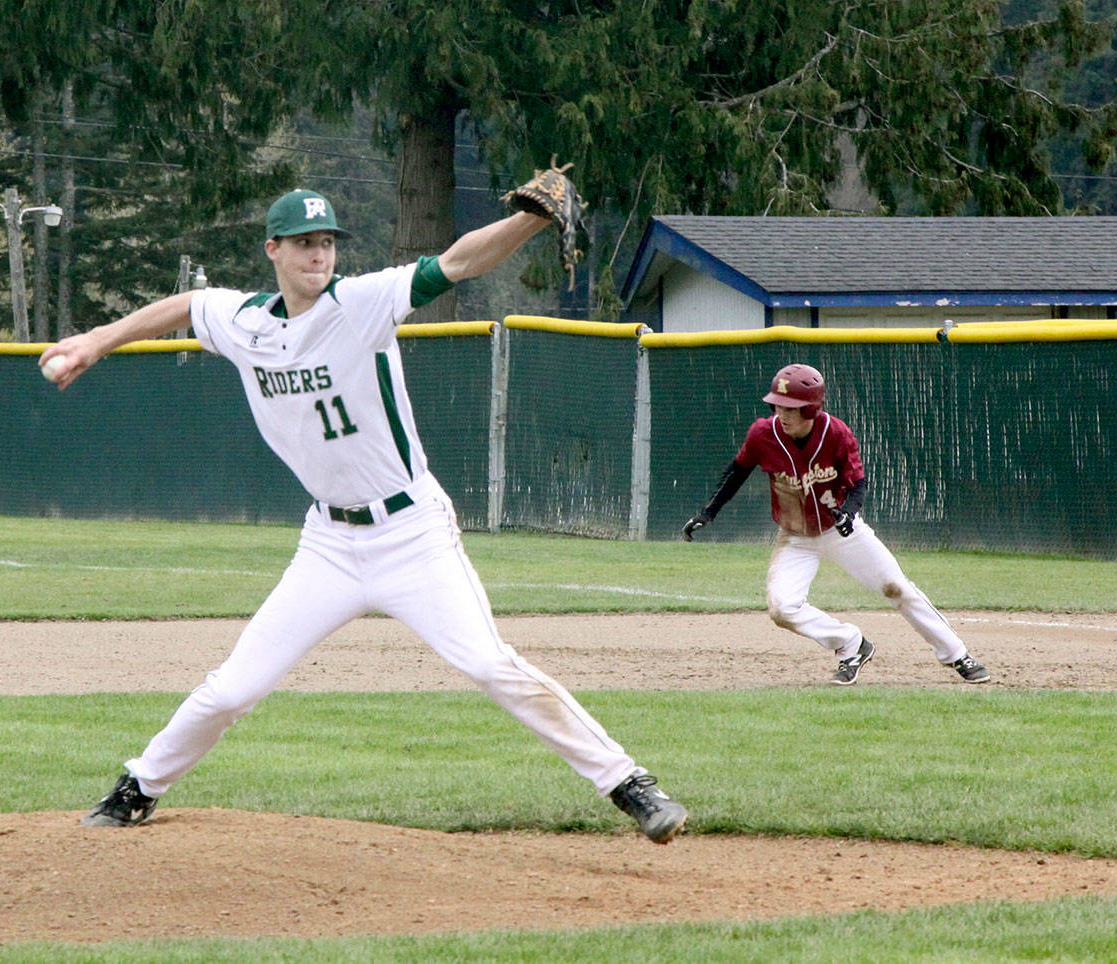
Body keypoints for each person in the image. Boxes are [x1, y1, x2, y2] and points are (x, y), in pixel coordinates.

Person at [41, 186, 687, 843]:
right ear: (274, 250)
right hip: (328, 543)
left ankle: (629, 784)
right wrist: (96, 340)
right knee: (233, 688)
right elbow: (186, 307)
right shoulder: (245, 322)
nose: (319, 253)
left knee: (492, 666)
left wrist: (530, 220)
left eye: (326, 242)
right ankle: (139, 788)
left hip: (412, 534)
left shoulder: (360, 302)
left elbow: (457, 263)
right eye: (304, 243)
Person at [681, 362, 990, 687]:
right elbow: (737, 471)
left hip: (842, 531)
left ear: (812, 408)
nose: (782, 414)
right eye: (777, 405)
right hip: (795, 538)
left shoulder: (836, 433)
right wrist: (708, 512)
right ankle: (850, 644)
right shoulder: (763, 433)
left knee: (897, 587)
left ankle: (958, 655)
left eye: (791, 408)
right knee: (782, 609)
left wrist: (848, 512)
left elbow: (858, 483)